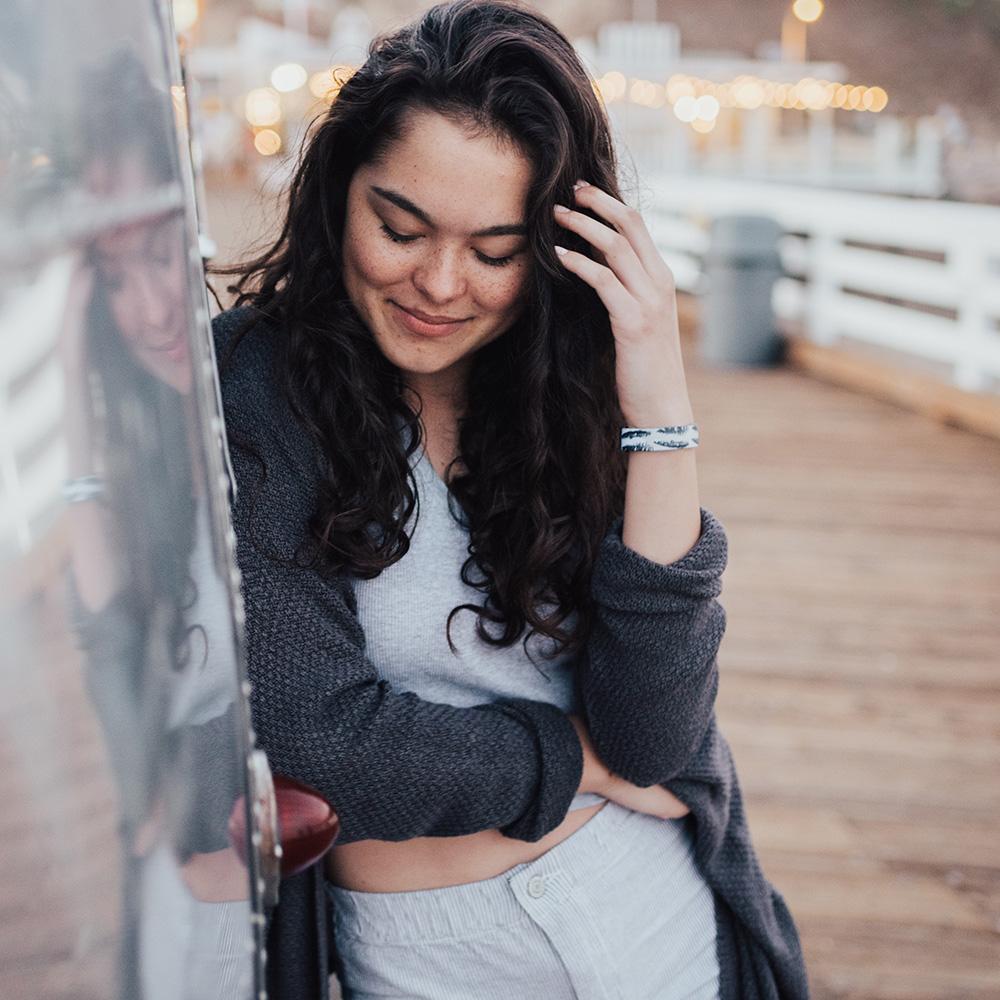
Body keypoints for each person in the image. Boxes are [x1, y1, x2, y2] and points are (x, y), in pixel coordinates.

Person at [211, 1, 810, 998]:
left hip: (648, 916)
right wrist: (574, 760)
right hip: (426, 952)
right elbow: (320, 742)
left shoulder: (568, 386)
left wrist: (658, 396)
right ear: (337, 195)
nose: (440, 284)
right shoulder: (259, 388)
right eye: (399, 228)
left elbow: (654, 739)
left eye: (494, 251)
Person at [61, 48, 254, 1000]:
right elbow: (123, 727)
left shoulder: (268, 414)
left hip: (251, 895)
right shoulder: (141, 462)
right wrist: (70, 389)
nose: (148, 311)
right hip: (179, 895)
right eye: (113, 275)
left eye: (160, 256)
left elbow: (298, 708)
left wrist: (173, 792)